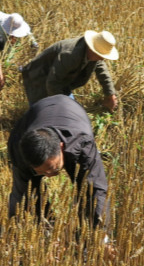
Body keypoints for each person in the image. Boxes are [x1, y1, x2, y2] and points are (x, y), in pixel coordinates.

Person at [7, 94, 114, 248]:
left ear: (61, 147)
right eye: (42, 172)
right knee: (29, 195)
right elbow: (22, 195)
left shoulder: (82, 144)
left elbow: (97, 190)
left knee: (87, 190)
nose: (49, 175)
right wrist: (48, 231)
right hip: (33, 117)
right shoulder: (19, 149)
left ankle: (85, 239)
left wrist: (101, 236)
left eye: (53, 168)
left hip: (72, 112)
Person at [19, 30, 120, 111]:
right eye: (101, 55)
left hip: (60, 81)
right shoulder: (70, 54)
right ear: (92, 50)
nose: (102, 58)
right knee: (39, 113)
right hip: (38, 78)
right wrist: (63, 106)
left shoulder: (94, 56)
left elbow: (102, 71)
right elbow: (52, 83)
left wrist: (110, 94)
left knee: (70, 110)